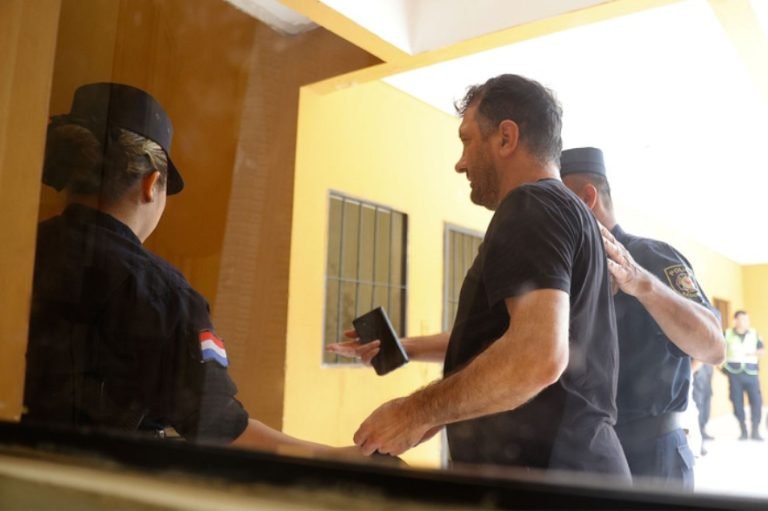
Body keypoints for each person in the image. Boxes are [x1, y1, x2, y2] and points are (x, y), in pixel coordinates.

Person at [23, 82, 351, 456]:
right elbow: (220, 428)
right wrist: (336, 458)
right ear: (152, 185)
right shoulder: (162, 295)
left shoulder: (20, 251)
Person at [329, 74, 630, 478]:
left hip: (548, 479)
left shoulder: (531, 204)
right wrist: (406, 347)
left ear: (506, 137)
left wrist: (413, 412)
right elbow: (509, 340)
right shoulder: (568, 212)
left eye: (466, 140)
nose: (460, 163)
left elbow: (536, 356)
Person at [559, 147, 725, 488]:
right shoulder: (567, 274)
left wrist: (642, 284)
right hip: (586, 453)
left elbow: (713, 346)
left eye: (559, 203)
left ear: (587, 198)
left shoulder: (650, 257)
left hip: (652, 456)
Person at [723, 310, 764, 440]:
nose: (745, 322)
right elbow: (720, 350)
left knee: (756, 402)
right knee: (736, 402)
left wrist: (754, 353)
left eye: (747, 319)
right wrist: (722, 366)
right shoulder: (727, 334)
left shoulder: (754, 333)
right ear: (735, 320)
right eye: (742, 319)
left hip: (751, 372)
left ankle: (755, 431)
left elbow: (762, 350)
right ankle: (743, 431)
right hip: (734, 373)